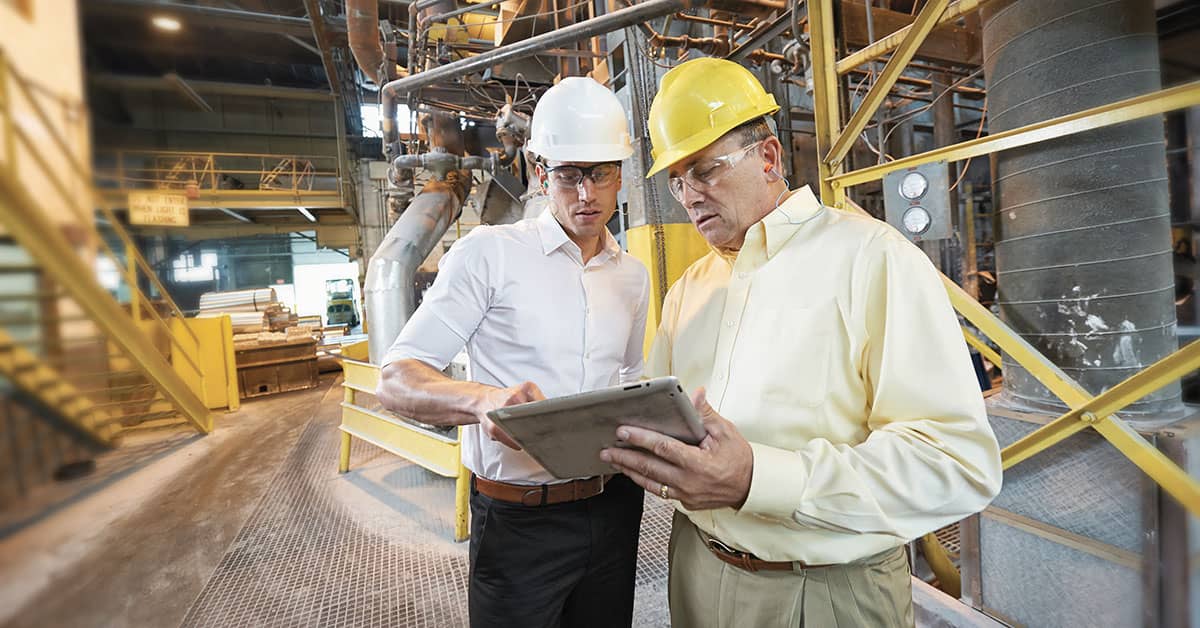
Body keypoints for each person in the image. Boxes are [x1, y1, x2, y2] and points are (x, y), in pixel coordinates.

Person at [600, 57, 1003, 627]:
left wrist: (755, 479)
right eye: (676, 179)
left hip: (823, 591)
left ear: (768, 158)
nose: (689, 195)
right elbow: (667, 418)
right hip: (695, 569)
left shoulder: (872, 261)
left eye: (706, 170)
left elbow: (955, 463)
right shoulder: (690, 289)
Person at [376, 76, 651, 628]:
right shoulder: (488, 256)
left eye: (600, 174)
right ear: (539, 171)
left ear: (620, 175)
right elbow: (397, 378)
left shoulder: (632, 276)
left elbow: (631, 380)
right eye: (569, 176)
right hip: (520, 521)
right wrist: (484, 402)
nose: (586, 195)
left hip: (614, 508)